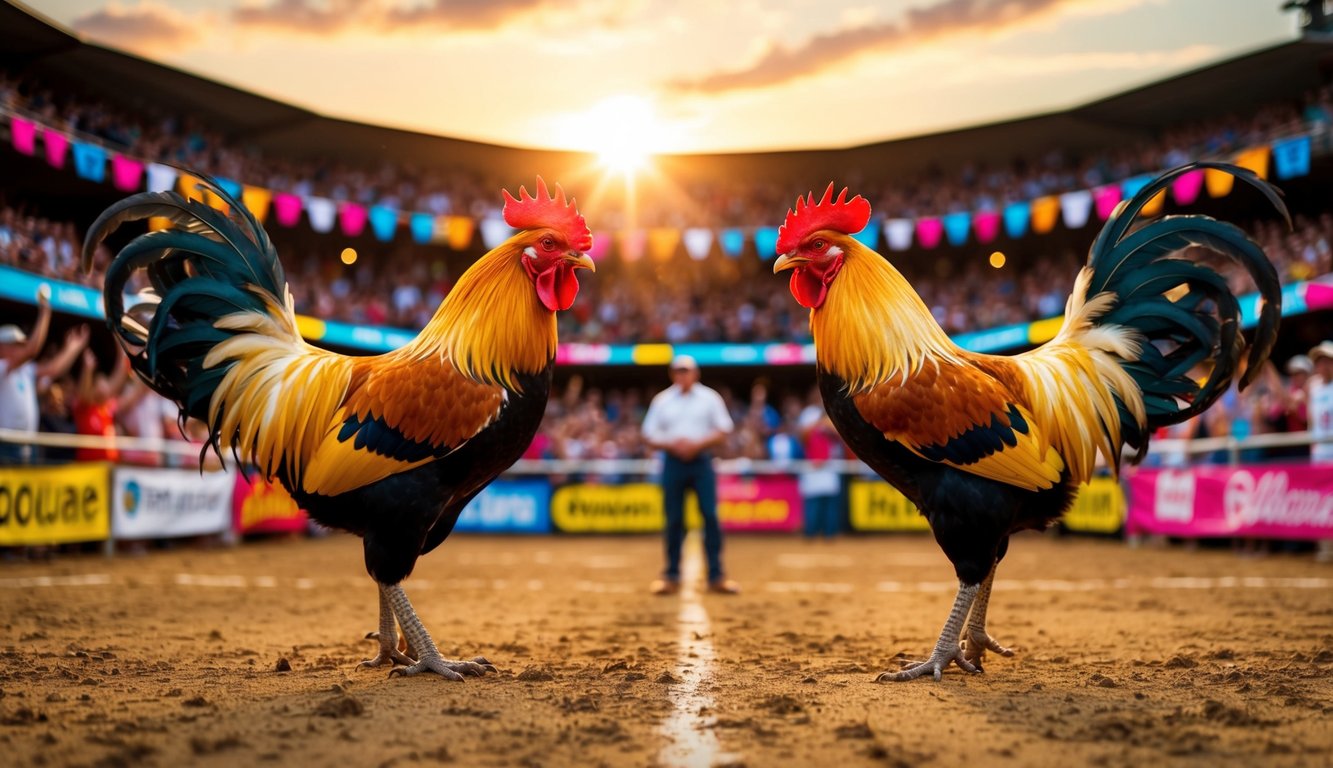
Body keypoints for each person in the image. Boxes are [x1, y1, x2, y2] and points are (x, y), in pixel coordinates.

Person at [642, 355, 738, 595]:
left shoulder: (709, 398)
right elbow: (648, 435)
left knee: (710, 515)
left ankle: (717, 575)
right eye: (678, 371)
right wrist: (673, 446)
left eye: (686, 371)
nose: (682, 375)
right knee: (674, 519)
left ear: (695, 374)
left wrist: (696, 445)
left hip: (701, 461)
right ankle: (671, 574)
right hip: (673, 463)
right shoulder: (662, 400)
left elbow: (724, 430)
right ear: (673, 374)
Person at [0, 291, 88, 464]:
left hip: (26, 446)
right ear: (2, 347)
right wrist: (45, 312)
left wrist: (72, 348)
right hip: (6, 446)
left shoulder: (23, 370)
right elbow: (32, 350)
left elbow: (54, 370)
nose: (21, 348)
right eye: (15, 344)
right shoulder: (2, 367)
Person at [798, 388, 844, 539]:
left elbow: (841, 435)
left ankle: (830, 534)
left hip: (830, 464)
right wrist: (818, 422)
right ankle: (811, 534)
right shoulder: (808, 413)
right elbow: (802, 435)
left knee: (830, 504)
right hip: (813, 465)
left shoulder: (833, 411)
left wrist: (828, 425)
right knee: (813, 504)